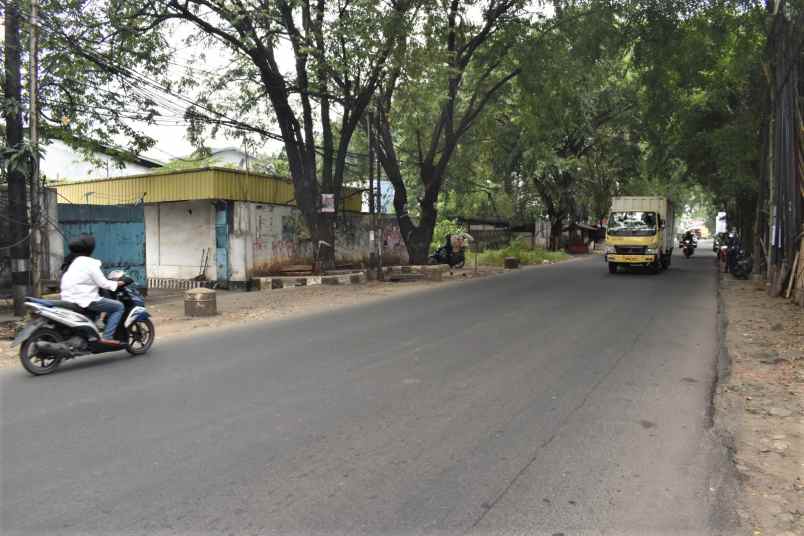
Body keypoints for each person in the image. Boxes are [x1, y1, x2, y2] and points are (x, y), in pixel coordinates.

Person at [60, 234, 125, 345]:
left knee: (101, 295)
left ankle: (95, 324)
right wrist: (119, 283)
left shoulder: (72, 262)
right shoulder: (90, 263)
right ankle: (107, 336)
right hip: (84, 299)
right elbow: (103, 283)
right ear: (90, 249)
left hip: (68, 298)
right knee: (118, 306)